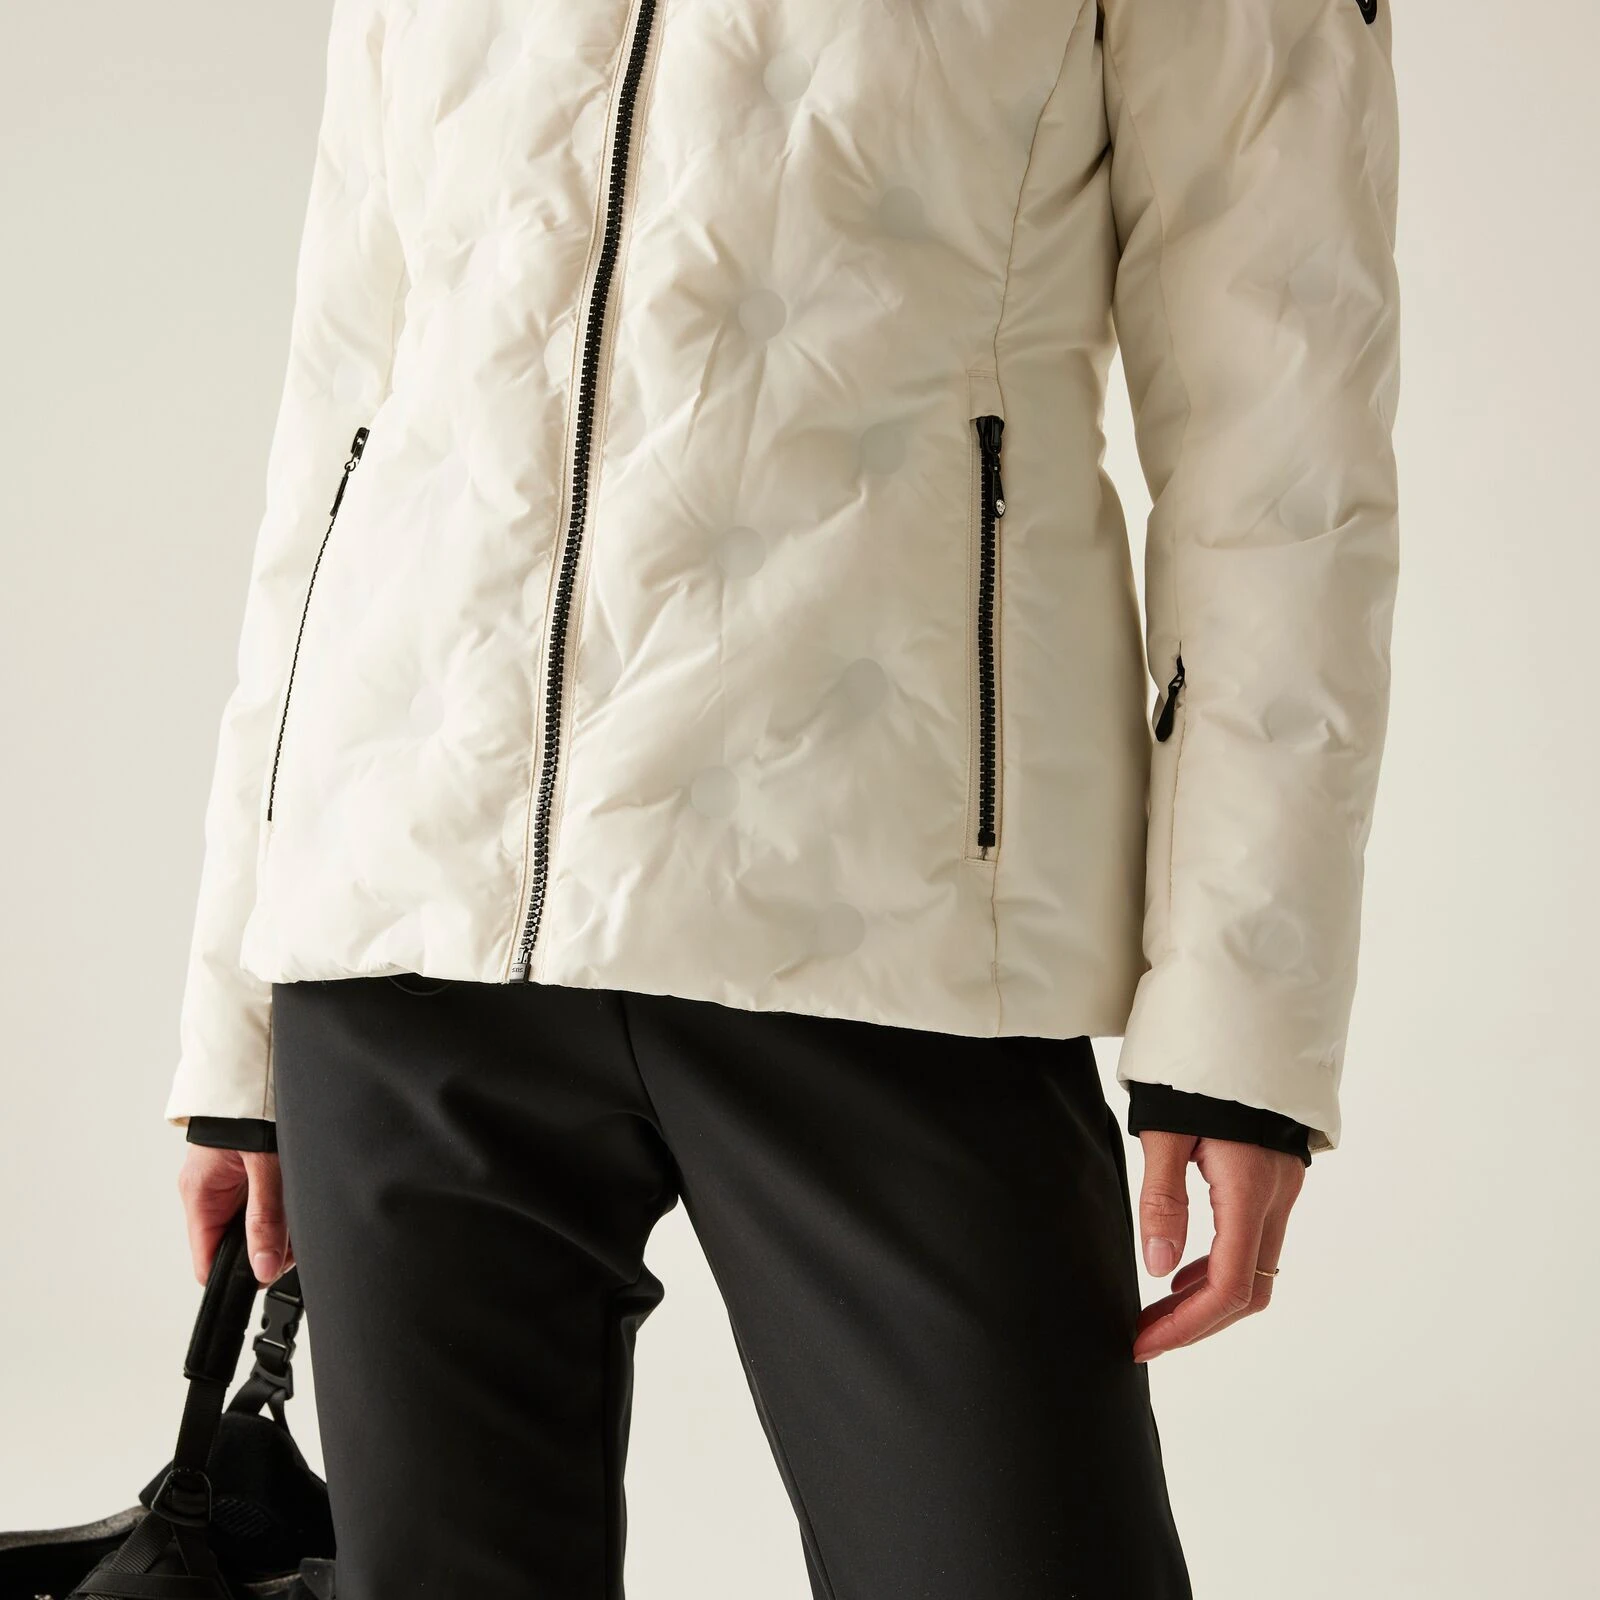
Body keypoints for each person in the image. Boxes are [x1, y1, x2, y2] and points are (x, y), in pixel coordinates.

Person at [168, 1, 1399, 1595]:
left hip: (888, 927)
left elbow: (1280, 465)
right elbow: (343, 417)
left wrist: (1240, 1032)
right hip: (405, 924)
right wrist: (239, 1023)